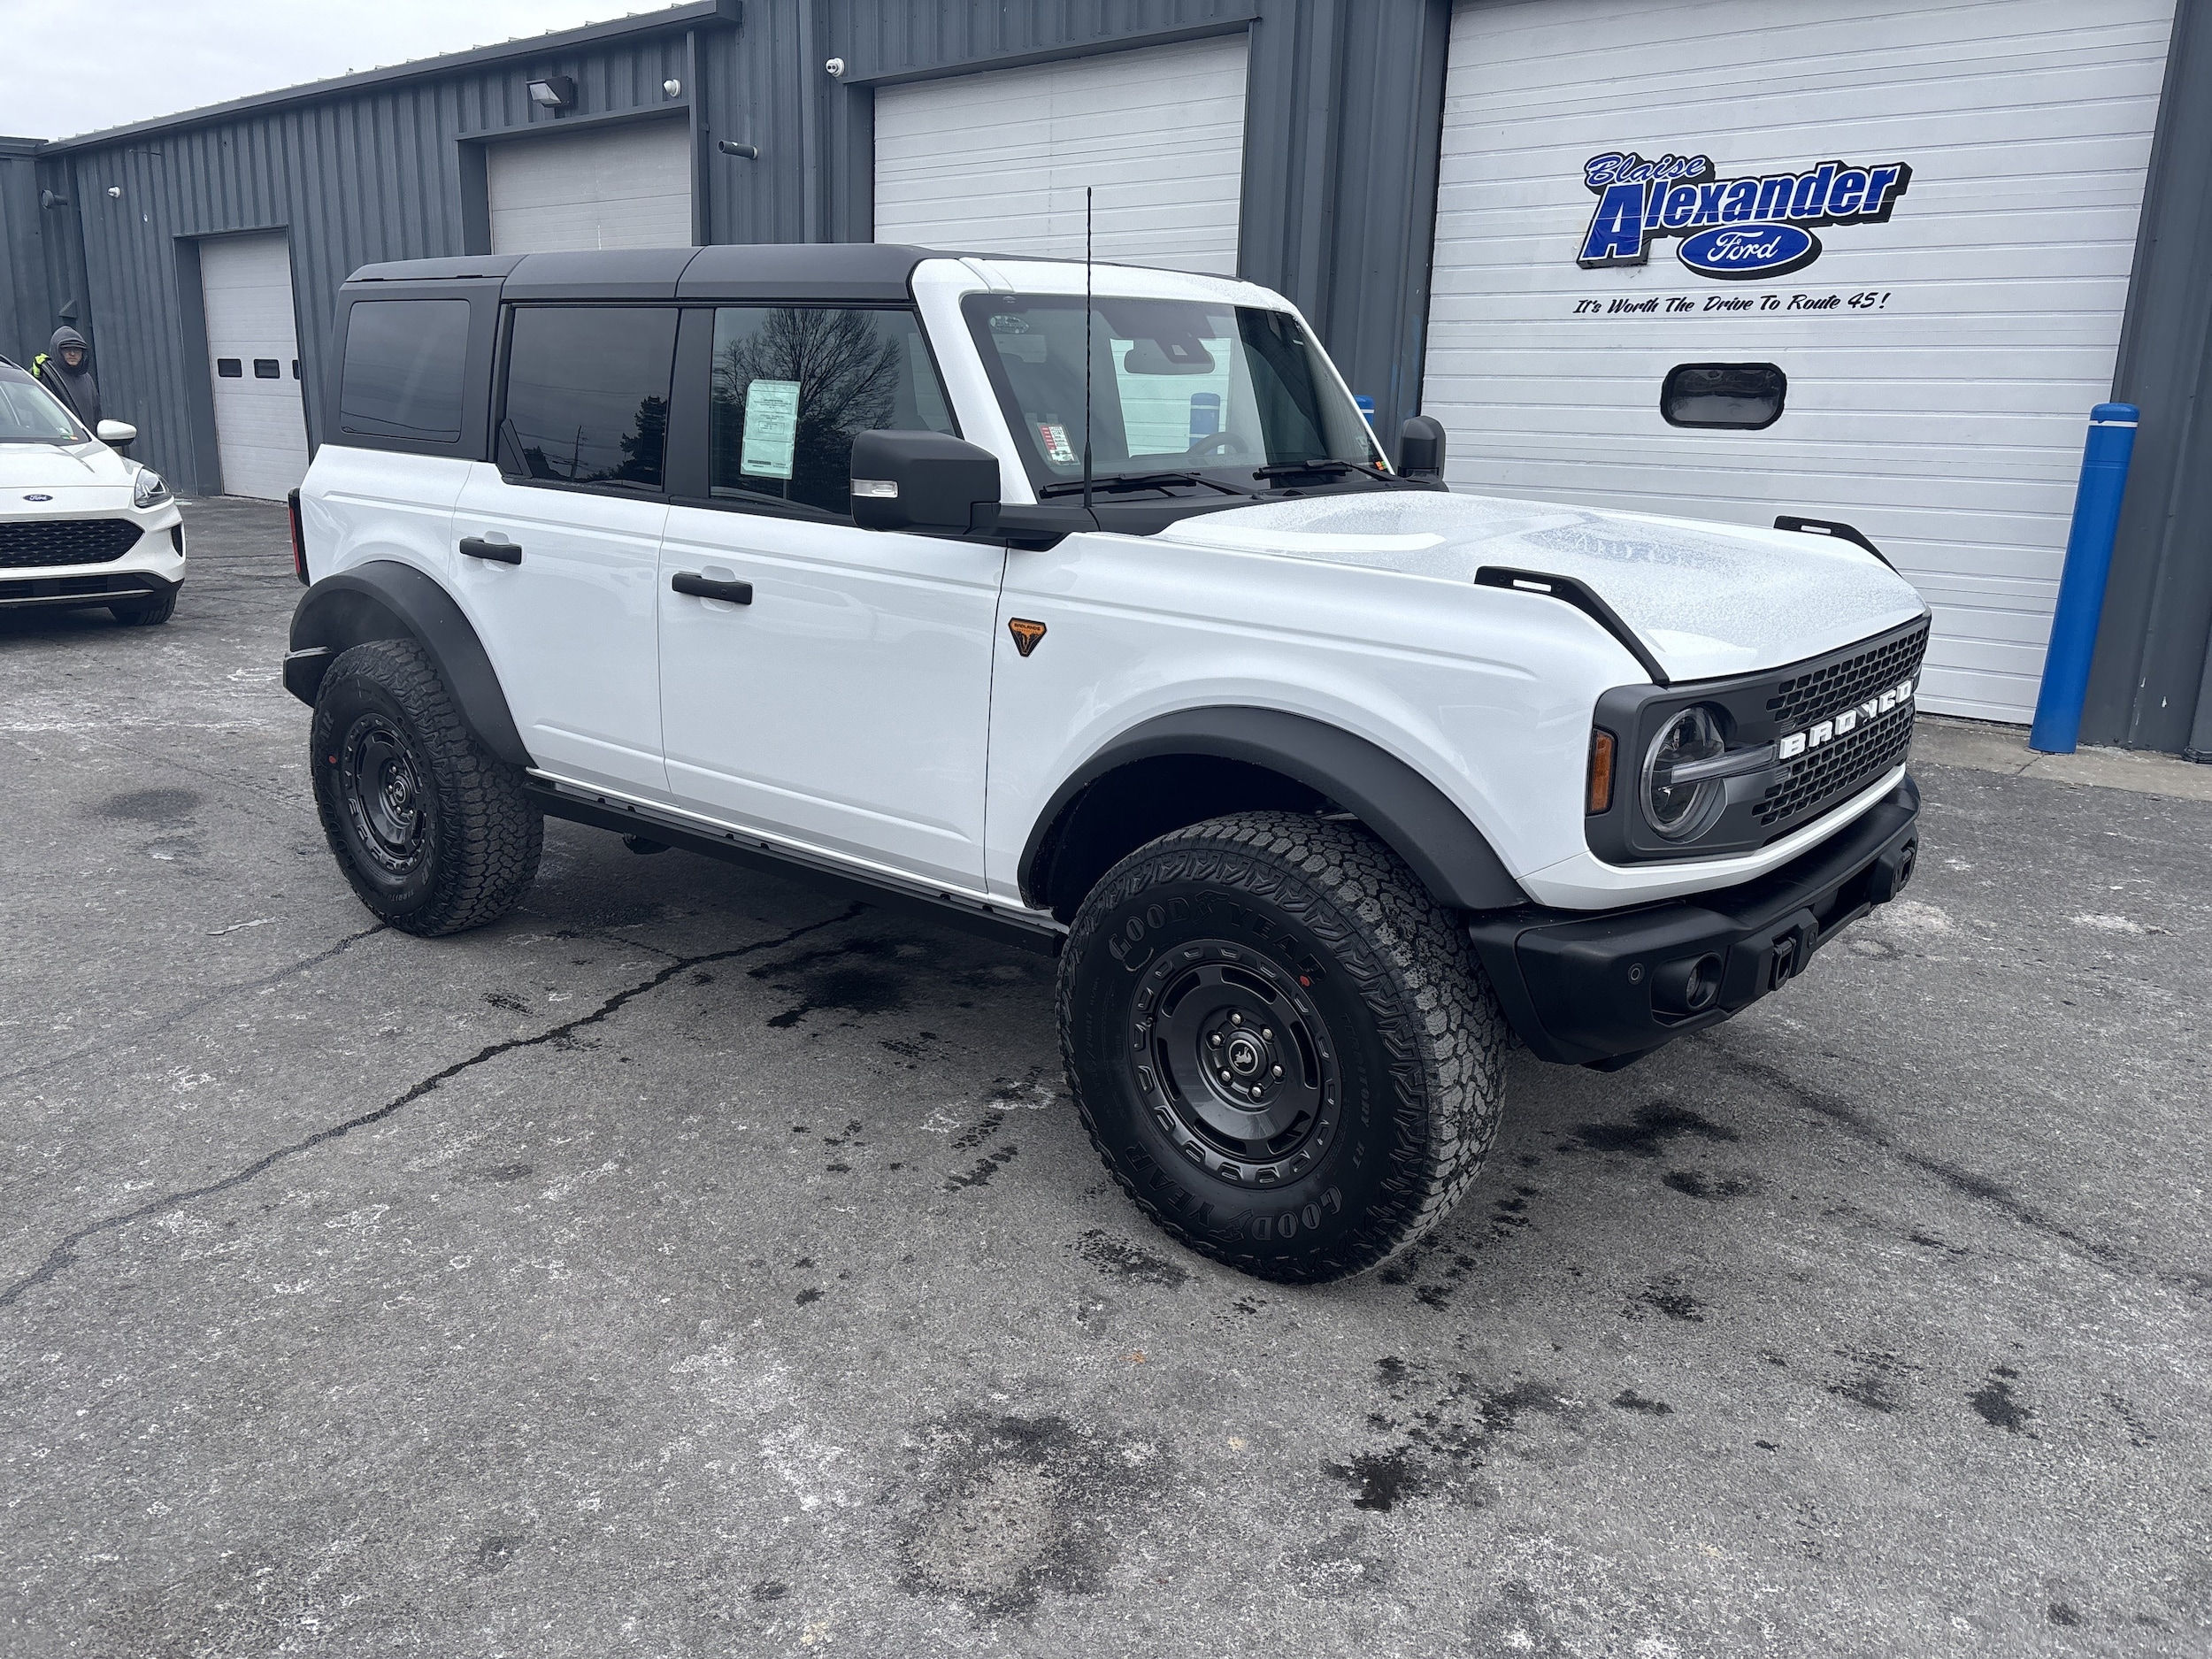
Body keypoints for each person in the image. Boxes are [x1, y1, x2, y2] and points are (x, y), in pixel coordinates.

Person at [32, 326, 100, 431]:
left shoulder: (87, 379)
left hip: (86, 441)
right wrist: (35, 376)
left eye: (77, 349)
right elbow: (23, 402)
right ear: (57, 350)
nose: (72, 354)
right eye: (66, 349)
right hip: (55, 441)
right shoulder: (48, 374)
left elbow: (96, 415)